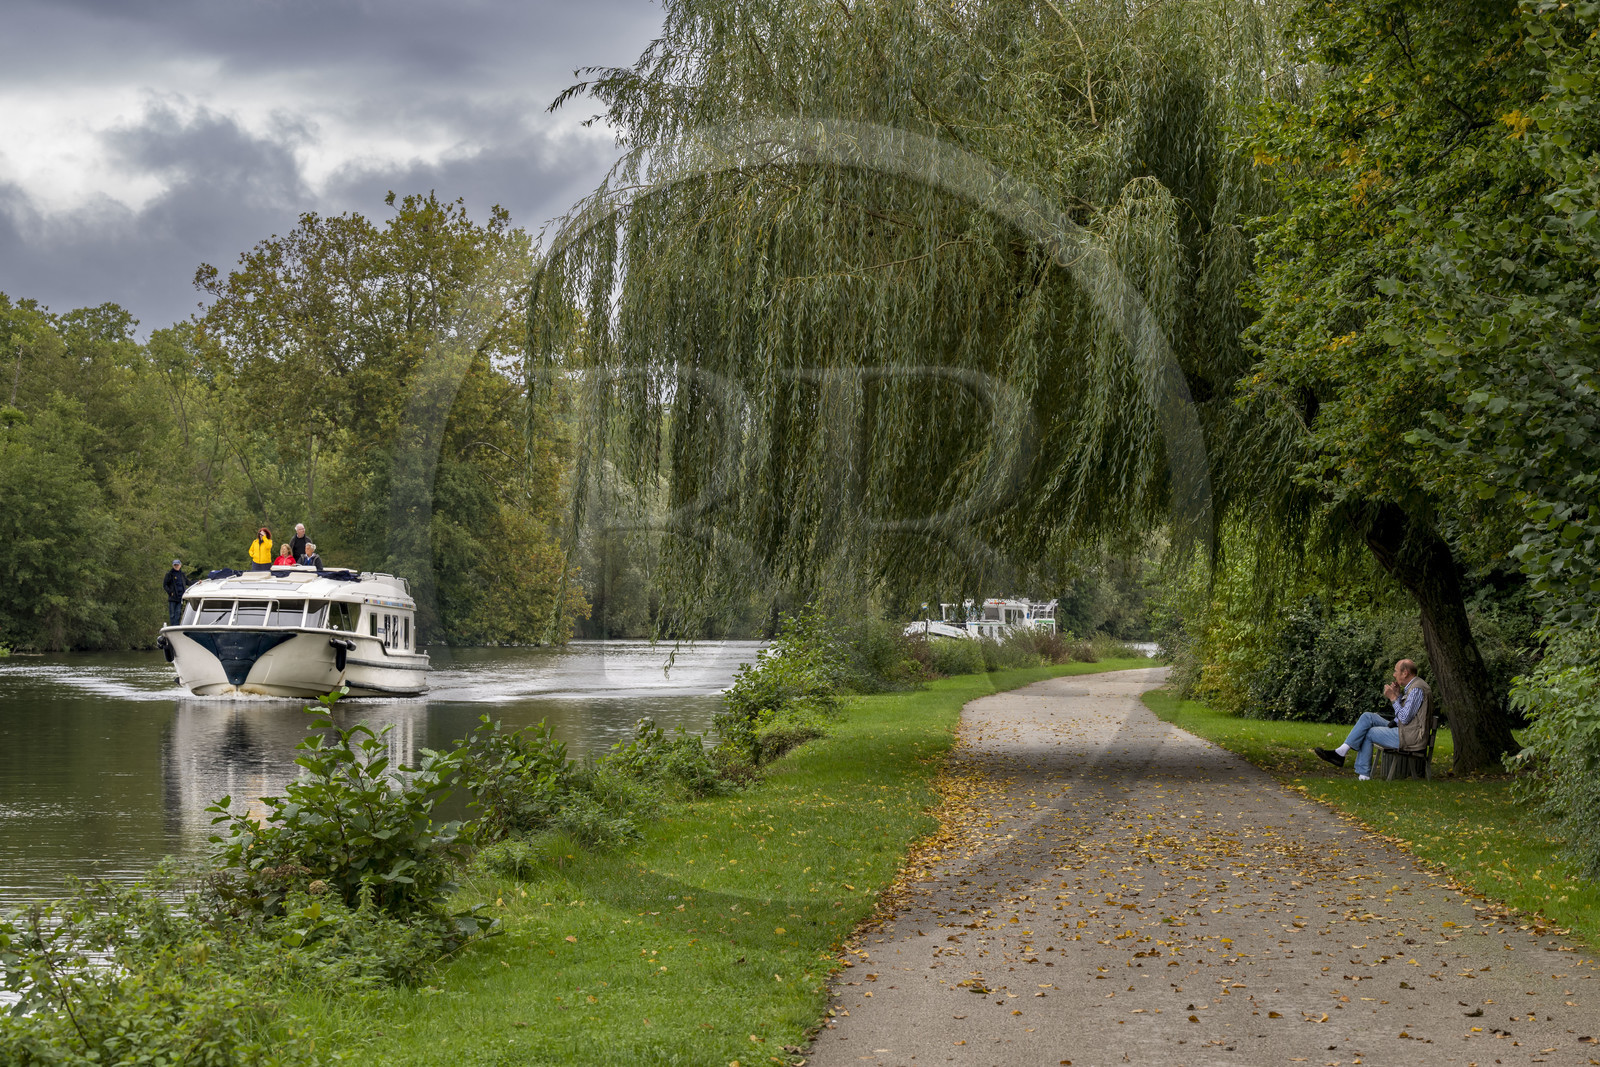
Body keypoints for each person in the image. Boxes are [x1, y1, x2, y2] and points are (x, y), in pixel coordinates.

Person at [1315, 659, 1433, 780]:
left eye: (1396, 671)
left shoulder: (1417, 689)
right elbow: (1408, 714)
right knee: (1368, 717)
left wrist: (1392, 698)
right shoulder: (1414, 686)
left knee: (1370, 733)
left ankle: (1363, 776)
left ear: (1405, 673)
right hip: (1405, 730)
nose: (1394, 674)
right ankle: (1341, 752)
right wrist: (1398, 696)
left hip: (1410, 737)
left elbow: (1404, 718)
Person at [163, 559, 188, 626]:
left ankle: (176, 625)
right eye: (175, 565)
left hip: (181, 597)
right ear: (173, 566)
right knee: (172, 614)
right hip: (173, 597)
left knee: (178, 613)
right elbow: (165, 585)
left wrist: (198, 582)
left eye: (177, 565)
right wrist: (170, 592)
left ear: (180, 565)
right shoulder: (169, 574)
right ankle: (172, 626)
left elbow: (188, 582)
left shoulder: (182, 574)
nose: (176, 566)